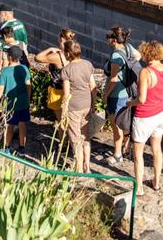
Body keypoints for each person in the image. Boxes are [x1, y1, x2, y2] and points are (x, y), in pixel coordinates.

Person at [128, 41, 163, 196]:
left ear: (146, 54)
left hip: (144, 116)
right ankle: (156, 182)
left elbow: (142, 99)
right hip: (160, 113)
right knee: (157, 149)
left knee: (138, 154)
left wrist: (130, 103)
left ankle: (139, 187)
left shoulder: (145, 72)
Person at [102, 27, 140, 165]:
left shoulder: (116, 56)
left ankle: (117, 154)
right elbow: (138, 56)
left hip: (116, 95)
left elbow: (113, 79)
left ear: (113, 40)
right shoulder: (128, 47)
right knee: (124, 121)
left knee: (116, 124)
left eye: (108, 39)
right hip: (127, 92)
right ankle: (126, 146)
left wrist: (105, 95)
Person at [60, 40, 96, 173]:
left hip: (74, 107)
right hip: (87, 105)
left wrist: (64, 111)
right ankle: (87, 166)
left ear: (68, 53)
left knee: (75, 138)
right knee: (86, 136)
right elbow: (93, 87)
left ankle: (79, 168)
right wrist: (93, 104)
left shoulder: (67, 70)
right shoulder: (88, 64)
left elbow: (66, 94)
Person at [0, 45, 32, 156]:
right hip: (23, 101)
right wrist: (28, 98)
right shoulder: (24, 68)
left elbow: (0, 90)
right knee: (22, 124)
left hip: (10, 103)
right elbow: (28, 85)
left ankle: (7, 148)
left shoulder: (5, 71)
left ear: (9, 57)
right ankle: (22, 148)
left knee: (9, 125)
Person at [34, 28, 76, 126]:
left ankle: (63, 140)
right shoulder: (74, 52)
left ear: (61, 39)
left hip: (58, 91)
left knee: (61, 119)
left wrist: (50, 49)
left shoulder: (57, 56)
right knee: (70, 119)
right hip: (72, 89)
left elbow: (37, 58)